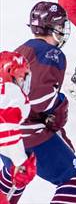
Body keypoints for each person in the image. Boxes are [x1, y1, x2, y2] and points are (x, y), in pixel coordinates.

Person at [0, 1, 76, 203]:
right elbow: (38, 101)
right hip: (27, 133)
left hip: (5, 132)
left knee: (15, 172)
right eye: (62, 25)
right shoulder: (53, 54)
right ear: (54, 27)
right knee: (72, 182)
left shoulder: (22, 49)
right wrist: (59, 105)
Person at [0, 52, 37, 203]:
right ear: (9, 73)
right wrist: (21, 163)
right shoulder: (11, 92)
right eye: (22, 76)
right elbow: (6, 129)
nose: (23, 81)